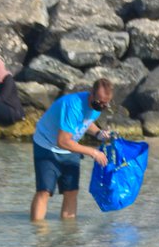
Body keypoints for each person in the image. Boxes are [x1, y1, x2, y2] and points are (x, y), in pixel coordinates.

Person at [29, 79, 114, 221]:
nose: (101, 106)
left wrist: (98, 133)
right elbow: (62, 141)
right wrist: (93, 152)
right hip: (47, 146)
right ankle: (39, 236)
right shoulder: (73, 106)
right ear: (91, 93)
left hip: (70, 147)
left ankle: (69, 236)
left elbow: (86, 121)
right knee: (45, 191)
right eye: (99, 101)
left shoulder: (97, 107)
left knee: (71, 191)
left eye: (105, 104)